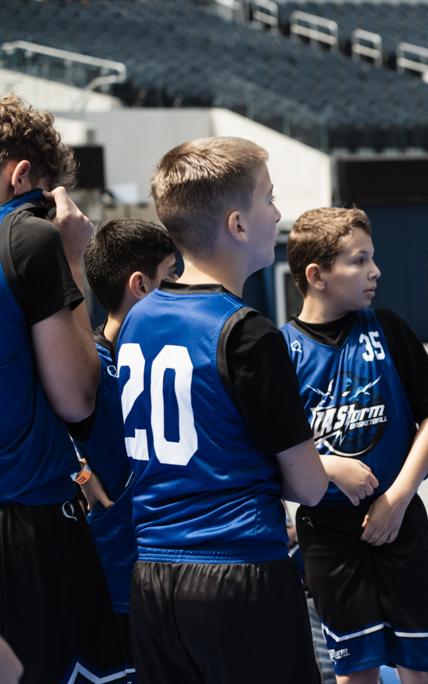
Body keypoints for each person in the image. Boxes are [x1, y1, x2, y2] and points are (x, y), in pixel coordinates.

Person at [119, 136, 346, 683]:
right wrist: (333, 468)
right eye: (269, 198)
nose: (278, 213)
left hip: (152, 577)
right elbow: (308, 486)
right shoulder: (246, 332)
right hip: (238, 574)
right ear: (238, 225)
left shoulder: (138, 318)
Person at [282, 206, 428, 684]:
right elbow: (272, 455)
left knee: (420, 666)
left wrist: (398, 498)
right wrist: (328, 468)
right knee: (355, 671)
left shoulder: (387, 329)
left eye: (372, 257)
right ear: (317, 276)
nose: (375, 270)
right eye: (358, 261)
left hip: (399, 519)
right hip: (327, 531)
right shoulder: (281, 351)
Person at [0, 94, 126, 683]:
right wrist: (74, 260)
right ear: (22, 174)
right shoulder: (30, 239)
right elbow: (77, 397)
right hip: (29, 523)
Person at [68, 218, 179, 675]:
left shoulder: (175, 358)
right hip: (114, 572)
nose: (182, 286)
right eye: (172, 274)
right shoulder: (90, 365)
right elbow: (39, 427)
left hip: (175, 568)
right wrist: (80, 471)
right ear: (140, 285)